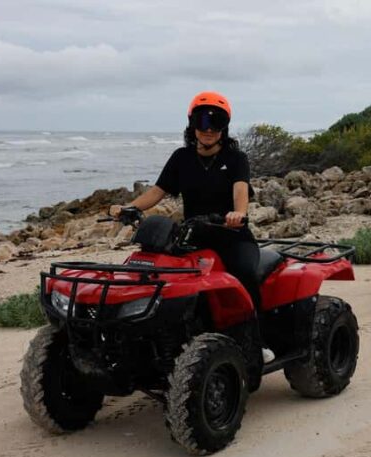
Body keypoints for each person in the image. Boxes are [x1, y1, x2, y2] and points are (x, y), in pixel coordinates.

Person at [109, 91, 275, 363]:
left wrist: (239, 213)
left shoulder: (236, 159)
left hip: (232, 236)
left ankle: (256, 343)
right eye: (201, 120)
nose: (208, 128)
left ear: (225, 127)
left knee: (245, 273)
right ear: (192, 124)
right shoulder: (181, 158)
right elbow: (158, 191)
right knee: (157, 275)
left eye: (216, 121)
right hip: (192, 236)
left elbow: (240, 190)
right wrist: (132, 208)